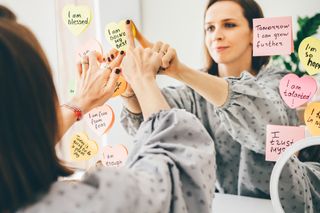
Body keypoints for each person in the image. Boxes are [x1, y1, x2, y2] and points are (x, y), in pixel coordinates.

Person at [0, 6, 216, 213]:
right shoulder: (89, 203)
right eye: (210, 27)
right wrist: (142, 79)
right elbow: (175, 175)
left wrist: (80, 103)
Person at [121, 0, 300, 199]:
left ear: (253, 33)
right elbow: (154, 124)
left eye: (229, 25)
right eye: (210, 28)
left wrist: (179, 70)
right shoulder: (192, 93)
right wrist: (132, 89)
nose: (217, 35)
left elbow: (269, 122)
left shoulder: (281, 83)